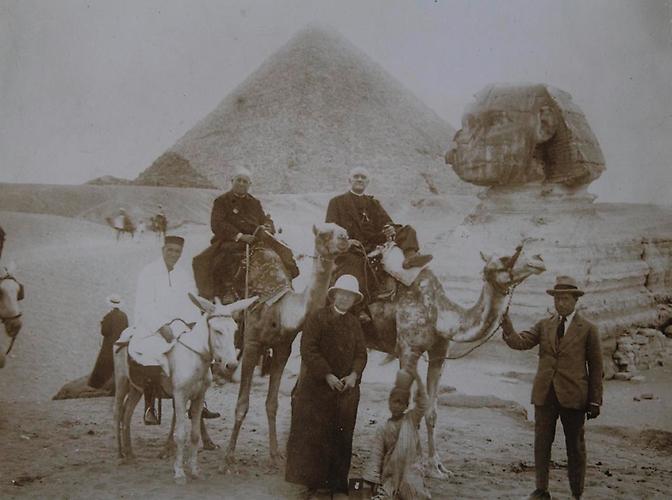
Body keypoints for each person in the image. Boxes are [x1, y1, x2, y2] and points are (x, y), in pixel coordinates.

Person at [500, 275, 603, 500]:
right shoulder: (544, 325)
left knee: (575, 447)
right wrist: (507, 327)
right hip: (545, 395)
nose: (561, 303)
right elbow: (521, 342)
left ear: (576, 301)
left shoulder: (588, 329)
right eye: (557, 299)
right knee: (541, 444)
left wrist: (595, 400)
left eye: (566, 299)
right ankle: (541, 490)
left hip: (574, 396)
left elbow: (596, 368)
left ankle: (577, 493)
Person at [285, 274, 368, 499]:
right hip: (318, 388)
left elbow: (361, 354)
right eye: (341, 294)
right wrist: (327, 375)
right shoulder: (317, 318)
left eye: (349, 296)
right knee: (315, 436)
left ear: (354, 300)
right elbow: (309, 349)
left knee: (342, 437)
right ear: (333, 296)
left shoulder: (354, 323)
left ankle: (336, 485)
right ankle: (313, 484)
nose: (344, 299)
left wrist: (354, 375)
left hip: (346, 391)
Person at [134, 235, 220, 424]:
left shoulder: (182, 274)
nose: (174, 254)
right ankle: (149, 406)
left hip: (178, 324)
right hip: (152, 326)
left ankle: (200, 402)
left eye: (177, 251)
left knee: (202, 352)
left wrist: (194, 321)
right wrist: (161, 326)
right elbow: (144, 305)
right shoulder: (148, 272)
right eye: (170, 250)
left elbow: (191, 299)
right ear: (163, 250)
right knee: (152, 355)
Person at [325, 167, 432, 306]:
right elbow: (329, 230)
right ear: (349, 180)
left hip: (374, 242)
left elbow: (386, 221)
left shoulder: (373, 203)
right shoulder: (337, 202)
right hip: (352, 248)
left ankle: (410, 257)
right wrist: (347, 242)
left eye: (363, 177)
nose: (359, 179)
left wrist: (389, 228)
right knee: (355, 270)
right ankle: (359, 309)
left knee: (407, 230)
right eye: (356, 176)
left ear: (367, 182)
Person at [193, 167, 298, 302]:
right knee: (220, 258)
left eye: (245, 181)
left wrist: (267, 226)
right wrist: (240, 236)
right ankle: (227, 289)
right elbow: (217, 223)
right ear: (232, 181)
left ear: (250, 185)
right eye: (239, 180)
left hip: (255, 239)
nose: (241, 184)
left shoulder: (254, 202)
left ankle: (285, 281)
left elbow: (264, 218)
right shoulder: (221, 201)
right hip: (231, 240)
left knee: (283, 251)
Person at [363, 367, 431, 500]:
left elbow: (423, 403)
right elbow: (376, 455)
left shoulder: (411, 419)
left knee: (413, 491)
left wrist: (416, 376)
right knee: (386, 493)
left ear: (406, 406)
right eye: (395, 401)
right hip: (391, 471)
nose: (397, 406)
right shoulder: (383, 428)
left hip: (411, 469)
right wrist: (370, 480)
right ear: (389, 402)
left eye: (402, 403)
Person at [89, 294, 129, 389]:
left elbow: (104, 332)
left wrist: (102, 323)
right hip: (120, 343)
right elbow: (126, 328)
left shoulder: (108, 316)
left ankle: (97, 385)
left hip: (109, 344)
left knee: (104, 363)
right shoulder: (124, 315)